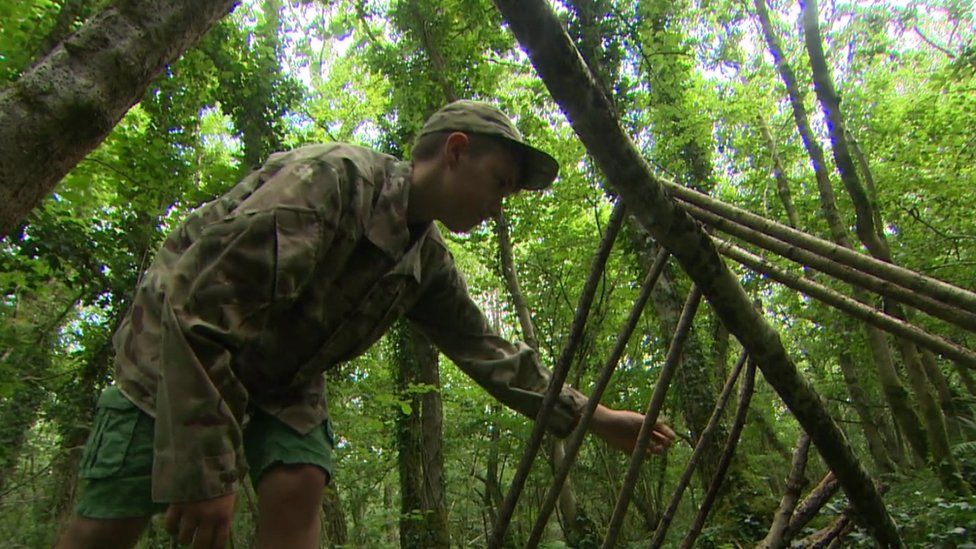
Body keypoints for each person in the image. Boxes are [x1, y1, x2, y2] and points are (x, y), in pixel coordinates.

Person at [56, 100, 675, 549]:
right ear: (456, 151)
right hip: (179, 343)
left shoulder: (426, 262)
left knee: (299, 481)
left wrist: (595, 418)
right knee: (110, 521)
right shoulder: (329, 184)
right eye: (499, 184)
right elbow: (201, 305)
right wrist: (205, 471)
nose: (497, 206)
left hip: (286, 374)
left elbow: (490, 353)